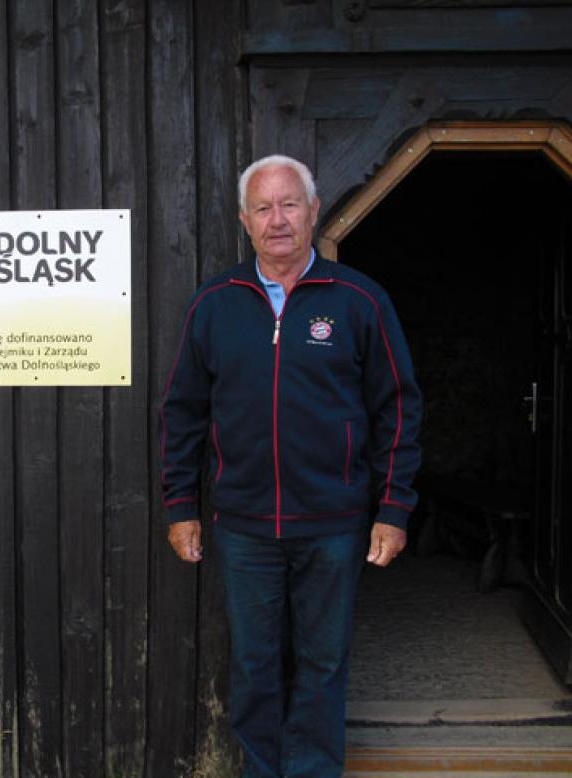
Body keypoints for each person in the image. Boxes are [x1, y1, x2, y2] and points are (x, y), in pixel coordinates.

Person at [159, 155, 421, 777]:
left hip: (333, 523)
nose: (278, 220)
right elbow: (182, 411)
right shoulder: (215, 303)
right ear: (245, 221)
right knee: (254, 664)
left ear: (313, 211)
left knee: (322, 663)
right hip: (244, 525)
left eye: (289, 204)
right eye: (263, 208)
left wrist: (394, 508)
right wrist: (180, 507)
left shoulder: (359, 299)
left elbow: (400, 409)